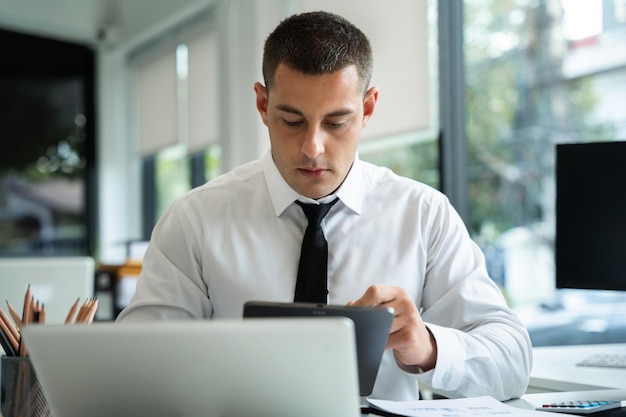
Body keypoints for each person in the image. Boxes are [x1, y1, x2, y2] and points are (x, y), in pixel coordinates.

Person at [116, 10, 532, 402]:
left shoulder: (423, 214)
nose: (313, 147)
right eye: (292, 120)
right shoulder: (195, 220)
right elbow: (130, 367)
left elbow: (512, 361)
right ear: (262, 104)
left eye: (336, 122)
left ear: (367, 108)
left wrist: (427, 346)